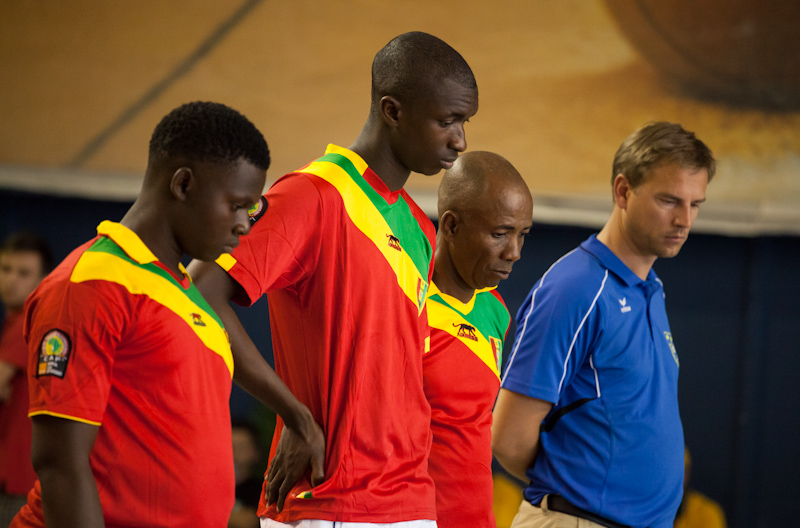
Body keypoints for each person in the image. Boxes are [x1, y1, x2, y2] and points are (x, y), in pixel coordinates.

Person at [189, 31, 479, 528]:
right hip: (330, 501)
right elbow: (199, 291)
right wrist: (296, 416)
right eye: (447, 120)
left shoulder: (420, 227)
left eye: (464, 122)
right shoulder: (313, 195)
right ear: (392, 110)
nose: (460, 140)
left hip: (410, 503)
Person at [10, 101, 282, 528]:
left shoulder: (187, 295)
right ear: (184, 184)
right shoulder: (92, 284)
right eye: (235, 205)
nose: (244, 224)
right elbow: (60, 462)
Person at [492, 122, 716, 528]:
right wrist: (577, 495)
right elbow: (508, 439)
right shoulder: (576, 286)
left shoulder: (651, 288)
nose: (685, 219)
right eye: (669, 200)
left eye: (695, 203)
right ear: (623, 191)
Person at [423, 151, 532, 528]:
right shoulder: (407, 304)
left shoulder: (496, 310)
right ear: (451, 226)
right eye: (500, 233)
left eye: (522, 235)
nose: (514, 252)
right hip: (409, 517)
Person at [0, 232, 53, 527]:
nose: (11, 280)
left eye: (23, 273)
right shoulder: (14, 322)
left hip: (20, 483)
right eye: (5, 269)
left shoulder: (29, 321)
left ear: (41, 279)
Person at [673, 447, 727, 528]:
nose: (673, 478)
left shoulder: (707, 512)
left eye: (680, 471)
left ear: (687, 473)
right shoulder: (649, 511)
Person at [230, 419, 267, 528]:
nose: (233, 453)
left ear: (255, 453)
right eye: (229, 446)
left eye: (240, 447)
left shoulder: (263, 490)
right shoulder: (208, 488)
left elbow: (248, 521)